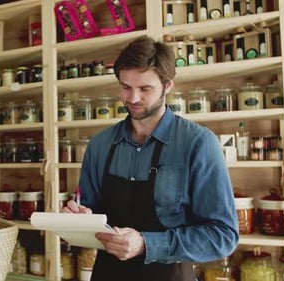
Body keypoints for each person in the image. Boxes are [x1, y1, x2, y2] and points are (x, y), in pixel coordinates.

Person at [62, 36, 239, 280]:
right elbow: (90, 209)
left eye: (145, 89)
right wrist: (79, 220)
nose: (132, 98)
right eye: (125, 87)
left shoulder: (198, 144)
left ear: (167, 86)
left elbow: (223, 236)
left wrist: (147, 244)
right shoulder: (100, 145)